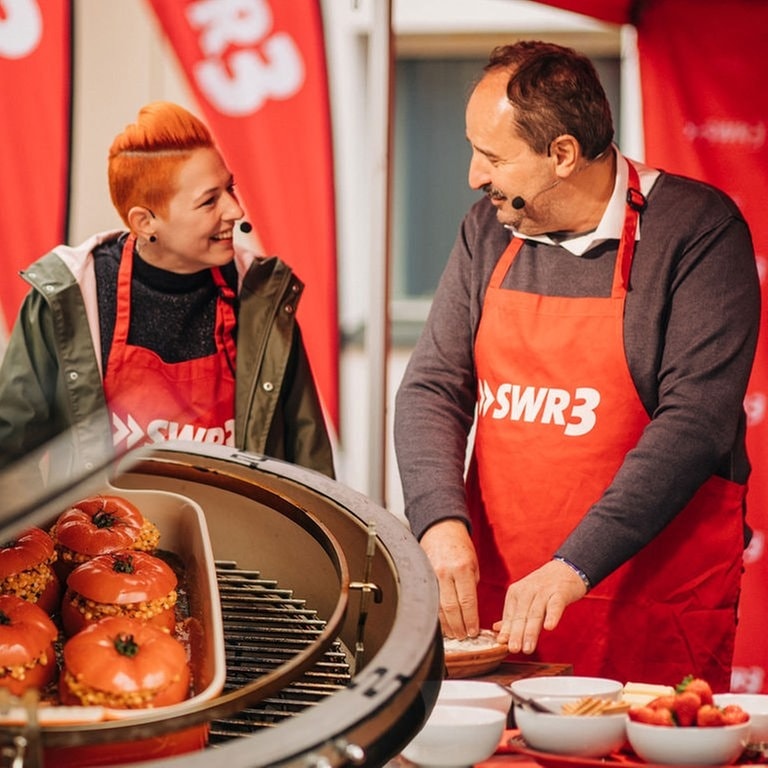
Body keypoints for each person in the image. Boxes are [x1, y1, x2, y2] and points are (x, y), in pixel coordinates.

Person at [394, 41, 760, 690]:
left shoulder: (697, 231)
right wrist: (439, 523)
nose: (475, 176)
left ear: (562, 154)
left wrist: (573, 567)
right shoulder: (488, 230)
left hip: (647, 609)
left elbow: (695, 424)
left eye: (493, 156)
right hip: (503, 613)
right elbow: (431, 387)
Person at [0, 101, 334, 486]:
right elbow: (11, 459)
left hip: (241, 545)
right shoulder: (69, 299)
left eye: (230, 188)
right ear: (145, 222)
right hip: (102, 541)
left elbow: (312, 470)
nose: (235, 210)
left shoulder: (264, 298)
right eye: (210, 200)